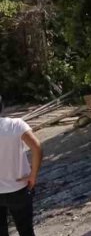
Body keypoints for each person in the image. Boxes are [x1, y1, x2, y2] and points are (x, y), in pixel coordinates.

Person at [0, 95, 43, 236]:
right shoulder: (16, 124)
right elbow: (37, 148)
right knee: (26, 232)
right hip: (18, 188)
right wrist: (33, 176)